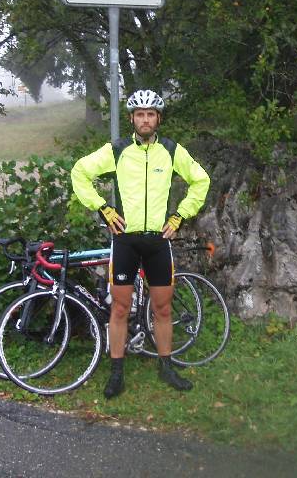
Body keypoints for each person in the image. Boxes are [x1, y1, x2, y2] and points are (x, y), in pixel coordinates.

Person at [71, 89, 210, 398]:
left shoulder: (172, 151)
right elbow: (80, 172)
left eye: (150, 114)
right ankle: (116, 372)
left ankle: (167, 366)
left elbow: (201, 180)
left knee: (162, 308)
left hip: (159, 242)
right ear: (132, 118)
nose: (145, 120)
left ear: (157, 119)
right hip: (125, 241)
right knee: (120, 309)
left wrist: (179, 216)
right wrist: (102, 208)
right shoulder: (117, 150)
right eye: (139, 115)